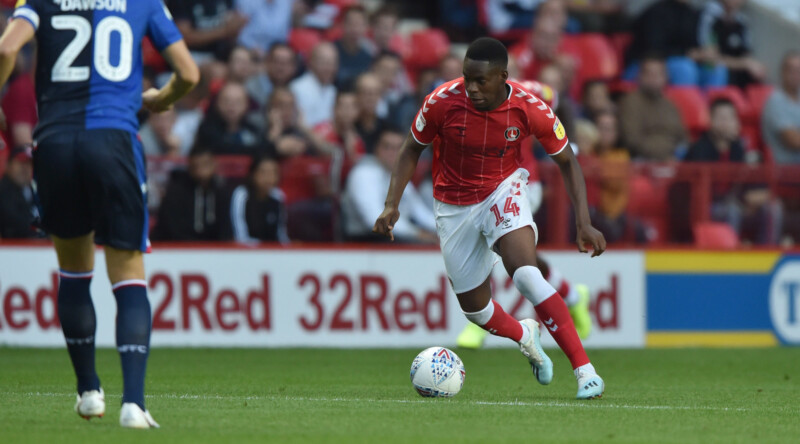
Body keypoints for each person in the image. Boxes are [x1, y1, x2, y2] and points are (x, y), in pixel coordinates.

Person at [0, 0, 199, 428]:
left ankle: (89, 391)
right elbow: (189, 73)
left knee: (74, 271)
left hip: (54, 144)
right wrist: (161, 99)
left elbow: (6, 48)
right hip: (114, 141)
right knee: (128, 271)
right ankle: (134, 404)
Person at [373, 38, 606, 399]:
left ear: (503, 77)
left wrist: (583, 221)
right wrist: (392, 204)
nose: (472, 88)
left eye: (481, 81)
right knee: (477, 311)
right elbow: (410, 149)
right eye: (467, 78)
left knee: (526, 275)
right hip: (452, 206)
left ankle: (585, 372)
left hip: (503, 189)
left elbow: (567, 161)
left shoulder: (530, 106)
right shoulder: (441, 101)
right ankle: (525, 335)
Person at [686, 99, 782, 244]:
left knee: (773, 209)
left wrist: (757, 195)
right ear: (710, 121)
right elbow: (698, 192)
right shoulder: (699, 149)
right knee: (732, 210)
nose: (727, 123)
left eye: (731, 118)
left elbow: (750, 181)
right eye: (722, 118)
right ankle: (732, 252)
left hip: (737, 202)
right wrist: (741, 199)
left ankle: (767, 251)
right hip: (709, 206)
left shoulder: (738, 148)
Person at [342, 128, 437, 243]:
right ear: (376, 149)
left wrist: (445, 229)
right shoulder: (363, 173)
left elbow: (420, 212)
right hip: (366, 241)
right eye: (387, 147)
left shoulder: (399, 175)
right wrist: (417, 234)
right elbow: (376, 220)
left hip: (395, 237)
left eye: (398, 148)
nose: (393, 153)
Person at [152, 144, 232, 241]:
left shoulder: (221, 193)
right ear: (190, 167)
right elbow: (171, 228)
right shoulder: (176, 192)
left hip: (213, 248)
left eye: (205, 165)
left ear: (214, 164)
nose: (201, 171)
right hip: (176, 247)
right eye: (196, 166)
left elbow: (226, 229)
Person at [618, 54, 687, 160]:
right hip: (641, 160)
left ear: (666, 77)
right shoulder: (630, 103)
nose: (654, 79)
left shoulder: (670, 105)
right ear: (639, 76)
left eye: (659, 74)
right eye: (649, 74)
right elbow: (632, 140)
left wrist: (677, 155)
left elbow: (683, 137)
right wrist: (663, 156)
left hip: (673, 159)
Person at [697, 0, 765, 89]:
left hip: (733, 72)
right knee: (718, 70)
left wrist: (753, 66)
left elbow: (747, 56)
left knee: (758, 74)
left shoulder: (742, 22)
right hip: (708, 69)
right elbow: (710, 57)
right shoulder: (709, 15)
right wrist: (743, 64)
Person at [230, 155, 289, 243]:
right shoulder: (242, 195)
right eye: (263, 172)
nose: (269, 178)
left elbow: (281, 233)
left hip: (272, 249)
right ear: (253, 174)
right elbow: (240, 235)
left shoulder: (278, 196)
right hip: (247, 249)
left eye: (273, 173)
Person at [762, 51, 800, 165]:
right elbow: (793, 141)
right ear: (783, 72)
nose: (796, 75)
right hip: (786, 169)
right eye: (792, 70)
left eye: (799, 70)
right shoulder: (775, 101)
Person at [289, 42, 338, 128]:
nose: (328, 67)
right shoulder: (296, 88)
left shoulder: (332, 90)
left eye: (331, 63)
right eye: (323, 62)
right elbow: (298, 124)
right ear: (311, 62)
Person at [0, 145, 39, 238]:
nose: (25, 168)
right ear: (8, 165)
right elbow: (14, 223)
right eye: (21, 163)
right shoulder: (2, 192)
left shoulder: (36, 190)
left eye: (29, 164)